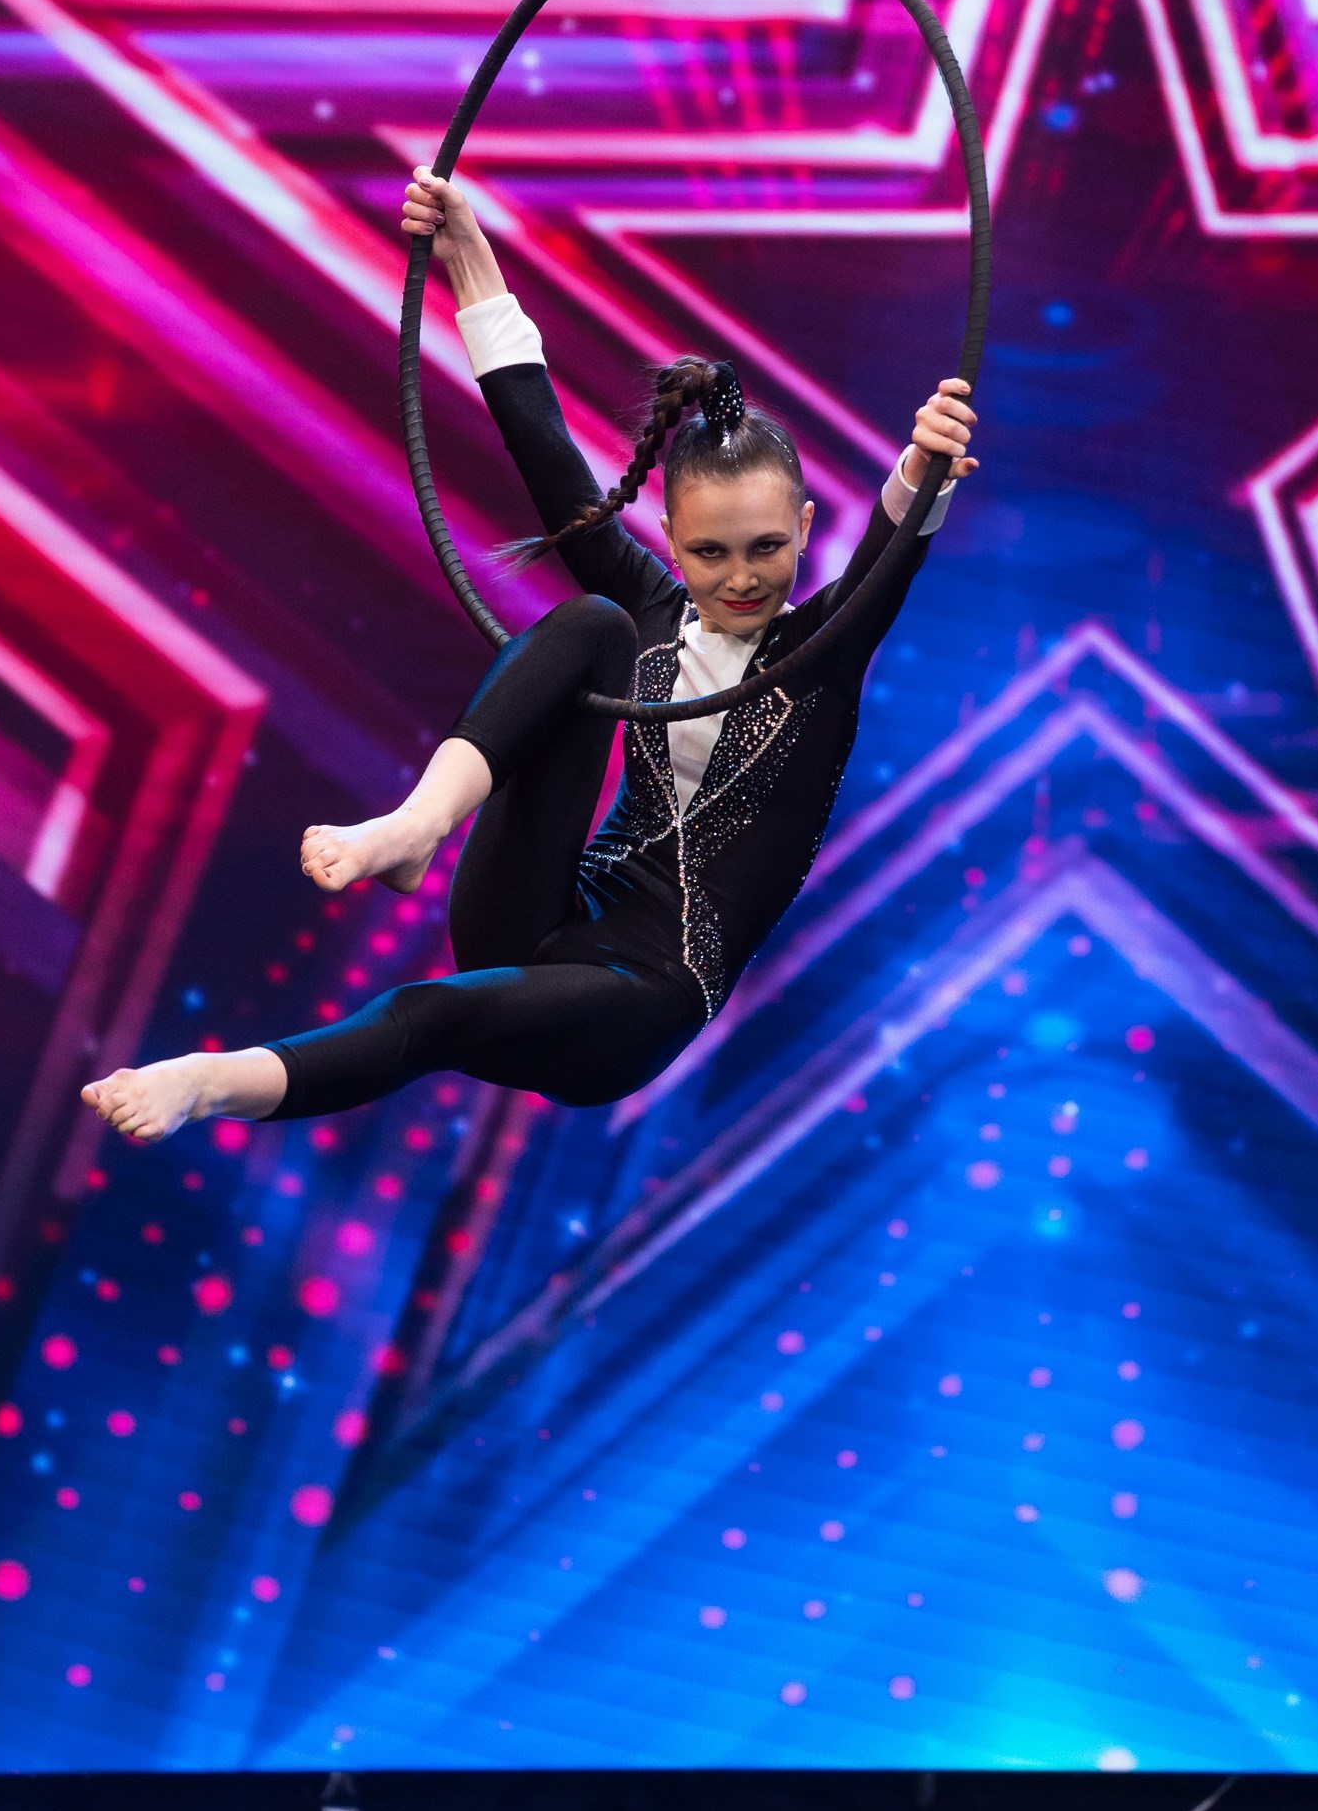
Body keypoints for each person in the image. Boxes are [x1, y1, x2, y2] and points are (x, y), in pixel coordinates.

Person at [83, 169, 977, 1145]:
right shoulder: (653, 613)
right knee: (593, 621)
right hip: (538, 918)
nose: (739, 578)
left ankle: (210, 1082)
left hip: (640, 995)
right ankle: (417, 826)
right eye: (709, 552)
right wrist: (467, 255)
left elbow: (890, 556)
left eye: (766, 548)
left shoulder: (820, 656)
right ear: (672, 541)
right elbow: (546, 455)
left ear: (804, 528)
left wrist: (921, 466)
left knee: (427, 1011)